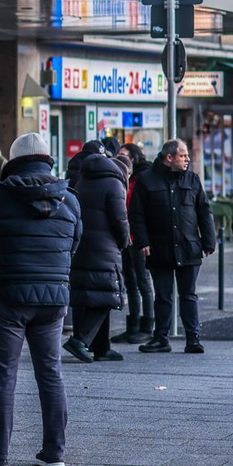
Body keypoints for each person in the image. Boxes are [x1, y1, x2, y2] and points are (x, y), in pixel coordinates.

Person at [0, 131, 82, 466]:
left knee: (3, 377)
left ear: (13, 160)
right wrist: (54, 274)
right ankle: (54, 452)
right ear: (47, 158)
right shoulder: (69, 199)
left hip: (7, 297)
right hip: (53, 297)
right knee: (51, 373)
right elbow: (75, 242)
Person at [130, 139, 216, 355]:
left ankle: (192, 338)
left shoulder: (192, 179)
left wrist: (209, 241)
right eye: (183, 155)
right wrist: (143, 241)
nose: (187, 159)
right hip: (160, 247)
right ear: (169, 158)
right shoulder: (147, 180)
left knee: (189, 295)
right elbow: (136, 214)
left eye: (187, 155)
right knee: (163, 296)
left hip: (188, 246)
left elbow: (204, 211)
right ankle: (161, 338)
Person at [63, 149, 129, 364]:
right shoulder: (115, 184)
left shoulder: (83, 180)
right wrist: (124, 241)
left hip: (83, 243)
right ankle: (80, 340)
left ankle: (102, 347)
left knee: (92, 295)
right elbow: (120, 219)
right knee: (108, 296)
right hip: (105, 247)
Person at [117, 144, 155, 343]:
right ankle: (132, 326)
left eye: (124, 155)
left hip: (139, 235)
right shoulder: (123, 177)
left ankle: (147, 326)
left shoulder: (143, 178)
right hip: (126, 235)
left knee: (142, 280)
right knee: (130, 282)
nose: (120, 159)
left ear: (134, 158)